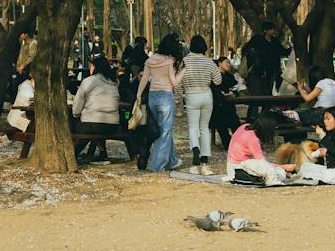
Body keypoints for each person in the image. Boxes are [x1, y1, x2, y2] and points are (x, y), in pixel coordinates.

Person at [133, 34, 182, 172]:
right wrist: (184, 70)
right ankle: (157, 165)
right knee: (165, 132)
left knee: (161, 131)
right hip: (166, 97)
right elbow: (175, 82)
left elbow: (144, 79)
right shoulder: (169, 61)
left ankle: (171, 160)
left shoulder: (151, 60)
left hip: (152, 97)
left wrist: (138, 95)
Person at [177, 35, 222, 166]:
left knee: (192, 126)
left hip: (191, 95)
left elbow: (178, 83)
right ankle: (205, 155)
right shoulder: (209, 62)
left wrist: (178, 97)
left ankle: (195, 148)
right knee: (204, 126)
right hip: (206, 94)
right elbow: (218, 80)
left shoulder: (184, 61)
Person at [70, 56, 125, 161]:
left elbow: (76, 109)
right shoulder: (113, 83)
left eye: (91, 65)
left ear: (95, 67)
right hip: (112, 125)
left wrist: (76, 115)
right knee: (95, 127)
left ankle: (73, 154)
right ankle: (100, 153)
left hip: (92, 124)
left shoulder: (88, 81)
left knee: (74, 124)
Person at [223, 117, 287, 185]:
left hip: (231, 166)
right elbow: (262, 163)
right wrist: (283, 166)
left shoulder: (244, 126)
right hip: (239, 169)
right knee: (280, 173)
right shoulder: (252, 139)